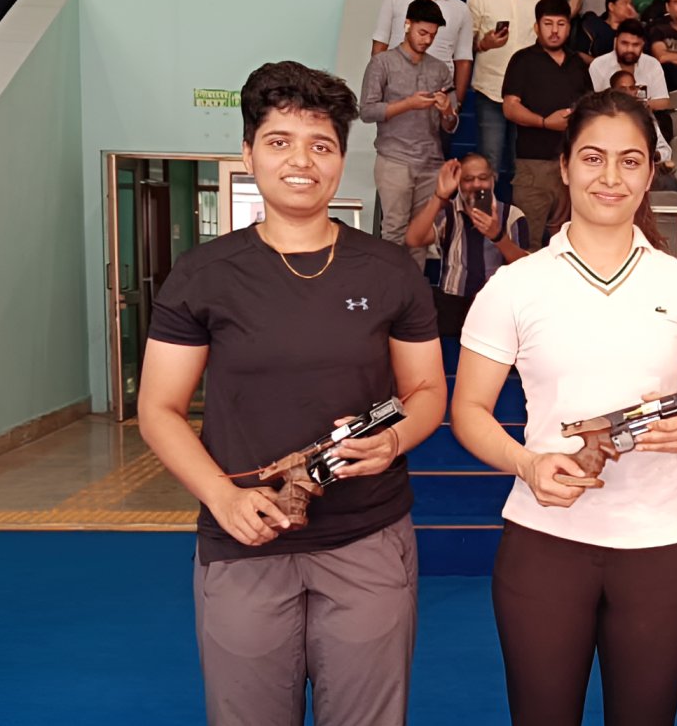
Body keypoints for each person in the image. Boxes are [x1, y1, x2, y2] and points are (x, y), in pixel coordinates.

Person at [138, 61, 447, 725]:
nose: (300, 161)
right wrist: (222, 495)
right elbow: (157, 410)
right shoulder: (202, 276)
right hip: (241, 543)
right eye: (279, 142)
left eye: (321, 144)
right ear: (248, 153)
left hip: (368, 538)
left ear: (340, 158)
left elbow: (425, 390)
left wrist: (392, 439)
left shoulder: (390, 270)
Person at [450, 89, 677, 726]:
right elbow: (469, 408)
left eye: (630, 161)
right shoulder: (517, 283)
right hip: (544, 543)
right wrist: (527, 463)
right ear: (564, 165)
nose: (611, 178)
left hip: (659, 545)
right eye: (593, 158)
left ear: (650, 172)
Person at [361, 0, 459, 264]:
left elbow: (451, 125)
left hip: (430, 161)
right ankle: (390, 298)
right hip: (394, 158)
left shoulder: (439, 69)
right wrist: (408, 104)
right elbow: (366, 111)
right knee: (393, 231)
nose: (427, 40)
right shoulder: (382, 63)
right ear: (407, 25)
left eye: (432, 35)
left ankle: (413, 297)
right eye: (422, 33)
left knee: (421, 235)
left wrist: (447, 111)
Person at [503, 0, 593, 249]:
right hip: (533, 165)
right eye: (548, 24)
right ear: (536, 27)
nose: (554, 31)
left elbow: (587, 109)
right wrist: (544, 122)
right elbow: (510, 108)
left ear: (568, 27)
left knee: (567, 244)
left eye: (561, 24)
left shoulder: (577, 63)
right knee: (526, 242)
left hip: (572, 164)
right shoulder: (523, 60)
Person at [405, 153, 530, 335]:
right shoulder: (447, 213)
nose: (477, 185)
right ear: (459, 183)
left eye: (483, 178)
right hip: (451, 302)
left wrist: (497, 236)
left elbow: (524, 266)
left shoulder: (512, 214)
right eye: (468, 179)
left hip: (496, 303)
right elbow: (413, 239)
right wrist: (439, 196)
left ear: (493, 180)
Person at [468, 0, 545, 196]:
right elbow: (464, 44)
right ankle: (482, 220)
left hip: (527, 97)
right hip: (490, 91)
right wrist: (485, 43)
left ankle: (518, 222)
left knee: (521, 164)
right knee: (488, 163)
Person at [371, 0, 472, 109]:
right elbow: (379, 46)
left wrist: (456, 104)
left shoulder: (461, 9)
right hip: (394, 94)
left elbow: (463, 60)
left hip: (438, 97)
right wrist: (377, 92)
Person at [609, 69, 677, 191]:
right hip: (615, 171)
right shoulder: (605, 118)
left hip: (643, 169)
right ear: (612, 92)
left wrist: (654, 155)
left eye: (632, 88)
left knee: (670, 183)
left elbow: (666, 151)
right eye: (622, 89)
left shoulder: (646, 117)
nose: (628, 93)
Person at [589, 20, 670, 114]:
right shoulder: (598, 65)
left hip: (644, 121)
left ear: (643, 44)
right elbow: (594, 104)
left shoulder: (652, 64)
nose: (629, 49)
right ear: (615, 41)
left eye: (635, 45)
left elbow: (663, 102)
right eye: (624, 43)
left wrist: (634, 105)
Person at [575, 0, 639, 62]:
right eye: (625, 3)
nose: (629, 8)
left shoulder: (633, 31)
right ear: (611, 6)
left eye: (631, 4)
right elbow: (580, 54)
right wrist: (602, 66)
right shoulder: (593, 25)